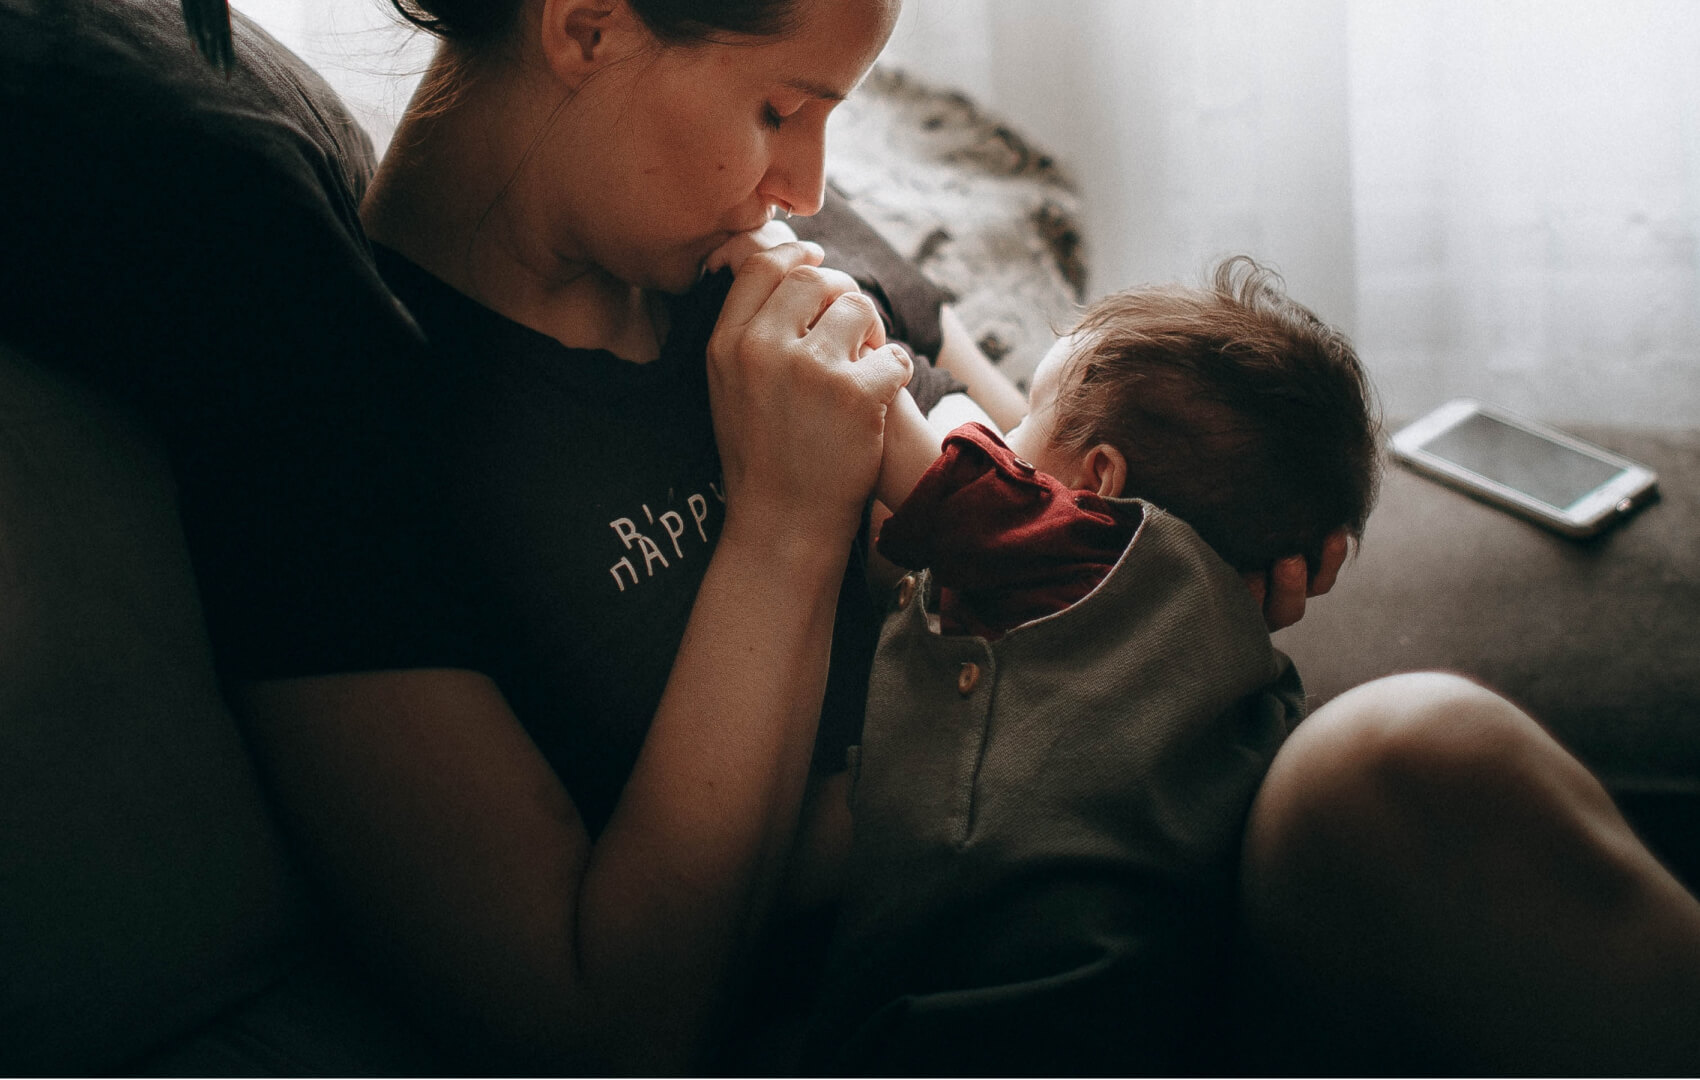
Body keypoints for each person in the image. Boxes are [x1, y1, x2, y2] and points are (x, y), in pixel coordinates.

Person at [137, 0, 1700, 1074]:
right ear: (587, 20)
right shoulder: (338, 437)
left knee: (1413, 754)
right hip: (922, 1012)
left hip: (1147, 887)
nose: (811, 184)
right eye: (781, 105)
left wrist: (1187, 587)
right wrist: (782, 533)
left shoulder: (766, 246)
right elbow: (606, 1027)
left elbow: (1045, 488)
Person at [800, 258, 1380, 1072]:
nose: (1002, 431)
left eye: (1031, 412)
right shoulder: (1222, 634)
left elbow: (915, 454)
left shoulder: (1085, 542)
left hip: (990, 1011)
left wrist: (828, 305)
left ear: (1097, 480)